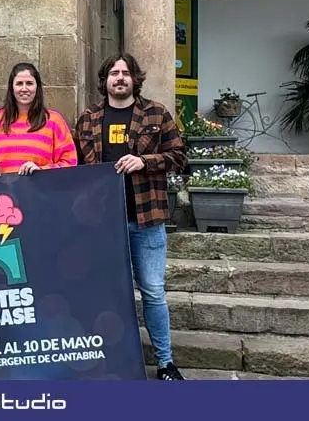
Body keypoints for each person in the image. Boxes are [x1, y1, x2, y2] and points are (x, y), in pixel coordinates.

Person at [73, 53, 187, 380]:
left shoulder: (156, 113)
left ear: (135, 79)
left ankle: (165, 363)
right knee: (106, 293)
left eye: (125, 73)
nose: (119, 78)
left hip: (146, 220)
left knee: (152, 290)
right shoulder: (88, 118)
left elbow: (179, 156)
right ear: (105, 80)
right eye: (113, 73)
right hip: (103, 224)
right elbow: (73, 165)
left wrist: (145, 161)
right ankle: (110, 361)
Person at [0, 62, 77, 176]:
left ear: (37, 87)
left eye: (29, 83)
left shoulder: (54, 120)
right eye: (19, 84)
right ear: (11, 88)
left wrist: (42, 170)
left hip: (41, 191)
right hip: (3, 192)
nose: (24, 88)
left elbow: (70, 163)